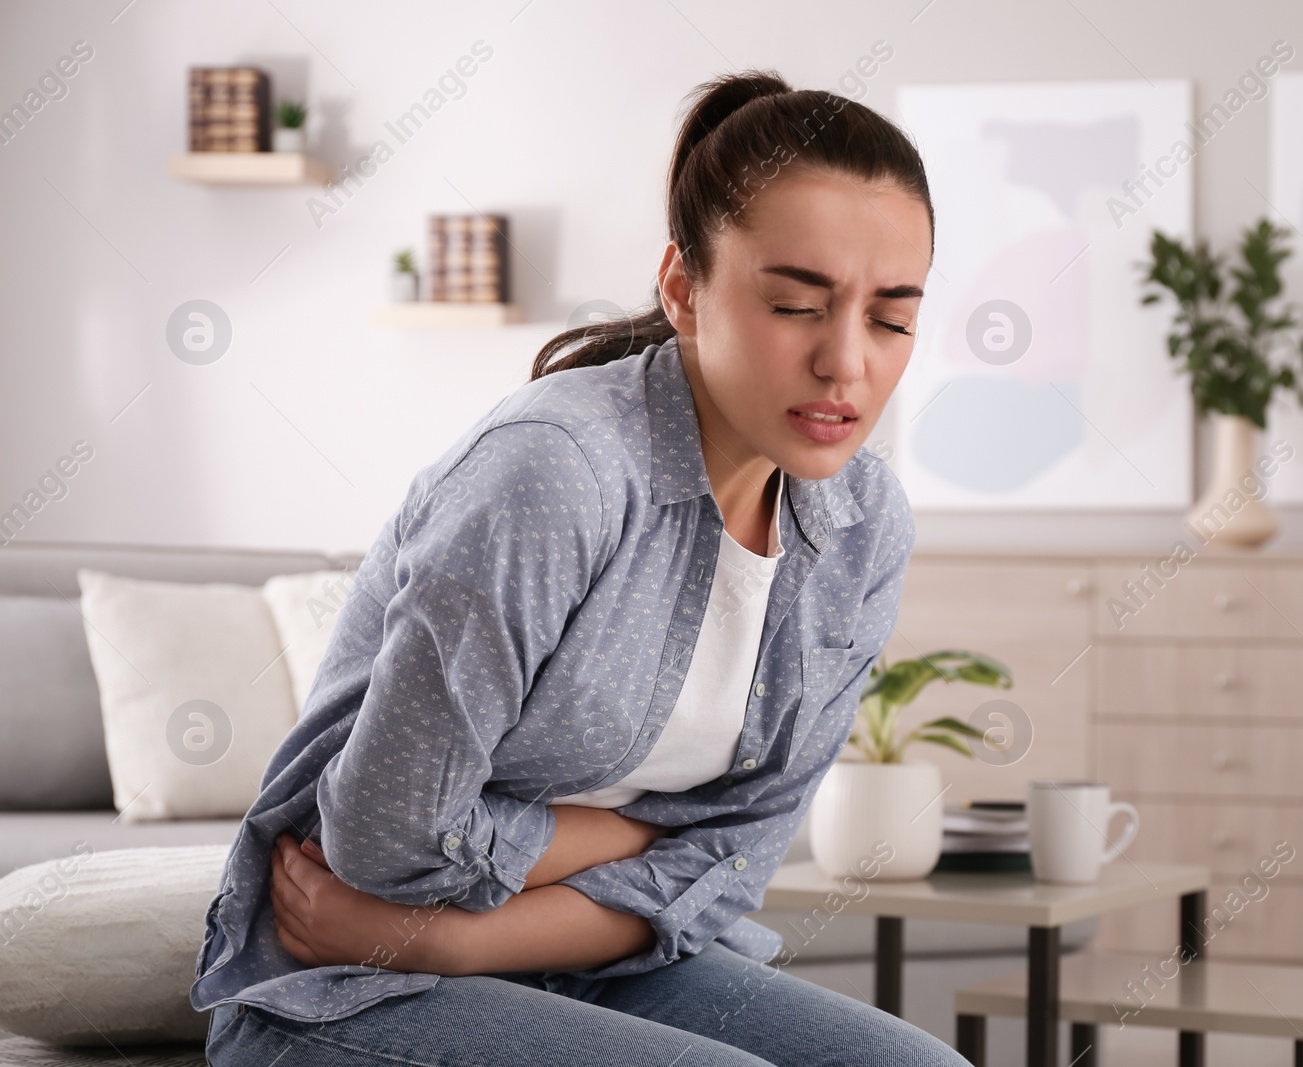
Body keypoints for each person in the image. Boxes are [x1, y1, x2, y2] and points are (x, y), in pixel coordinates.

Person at [193, 68, 962, 1066]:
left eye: (891, 317)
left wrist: (457, 934)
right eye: (795, 305)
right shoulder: (556, 472)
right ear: (684, 288)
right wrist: (646, 836)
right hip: (340, 984)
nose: (846, 363)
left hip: (561, 955)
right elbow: (382, 841)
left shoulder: (860, 522)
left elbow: (735, 861)